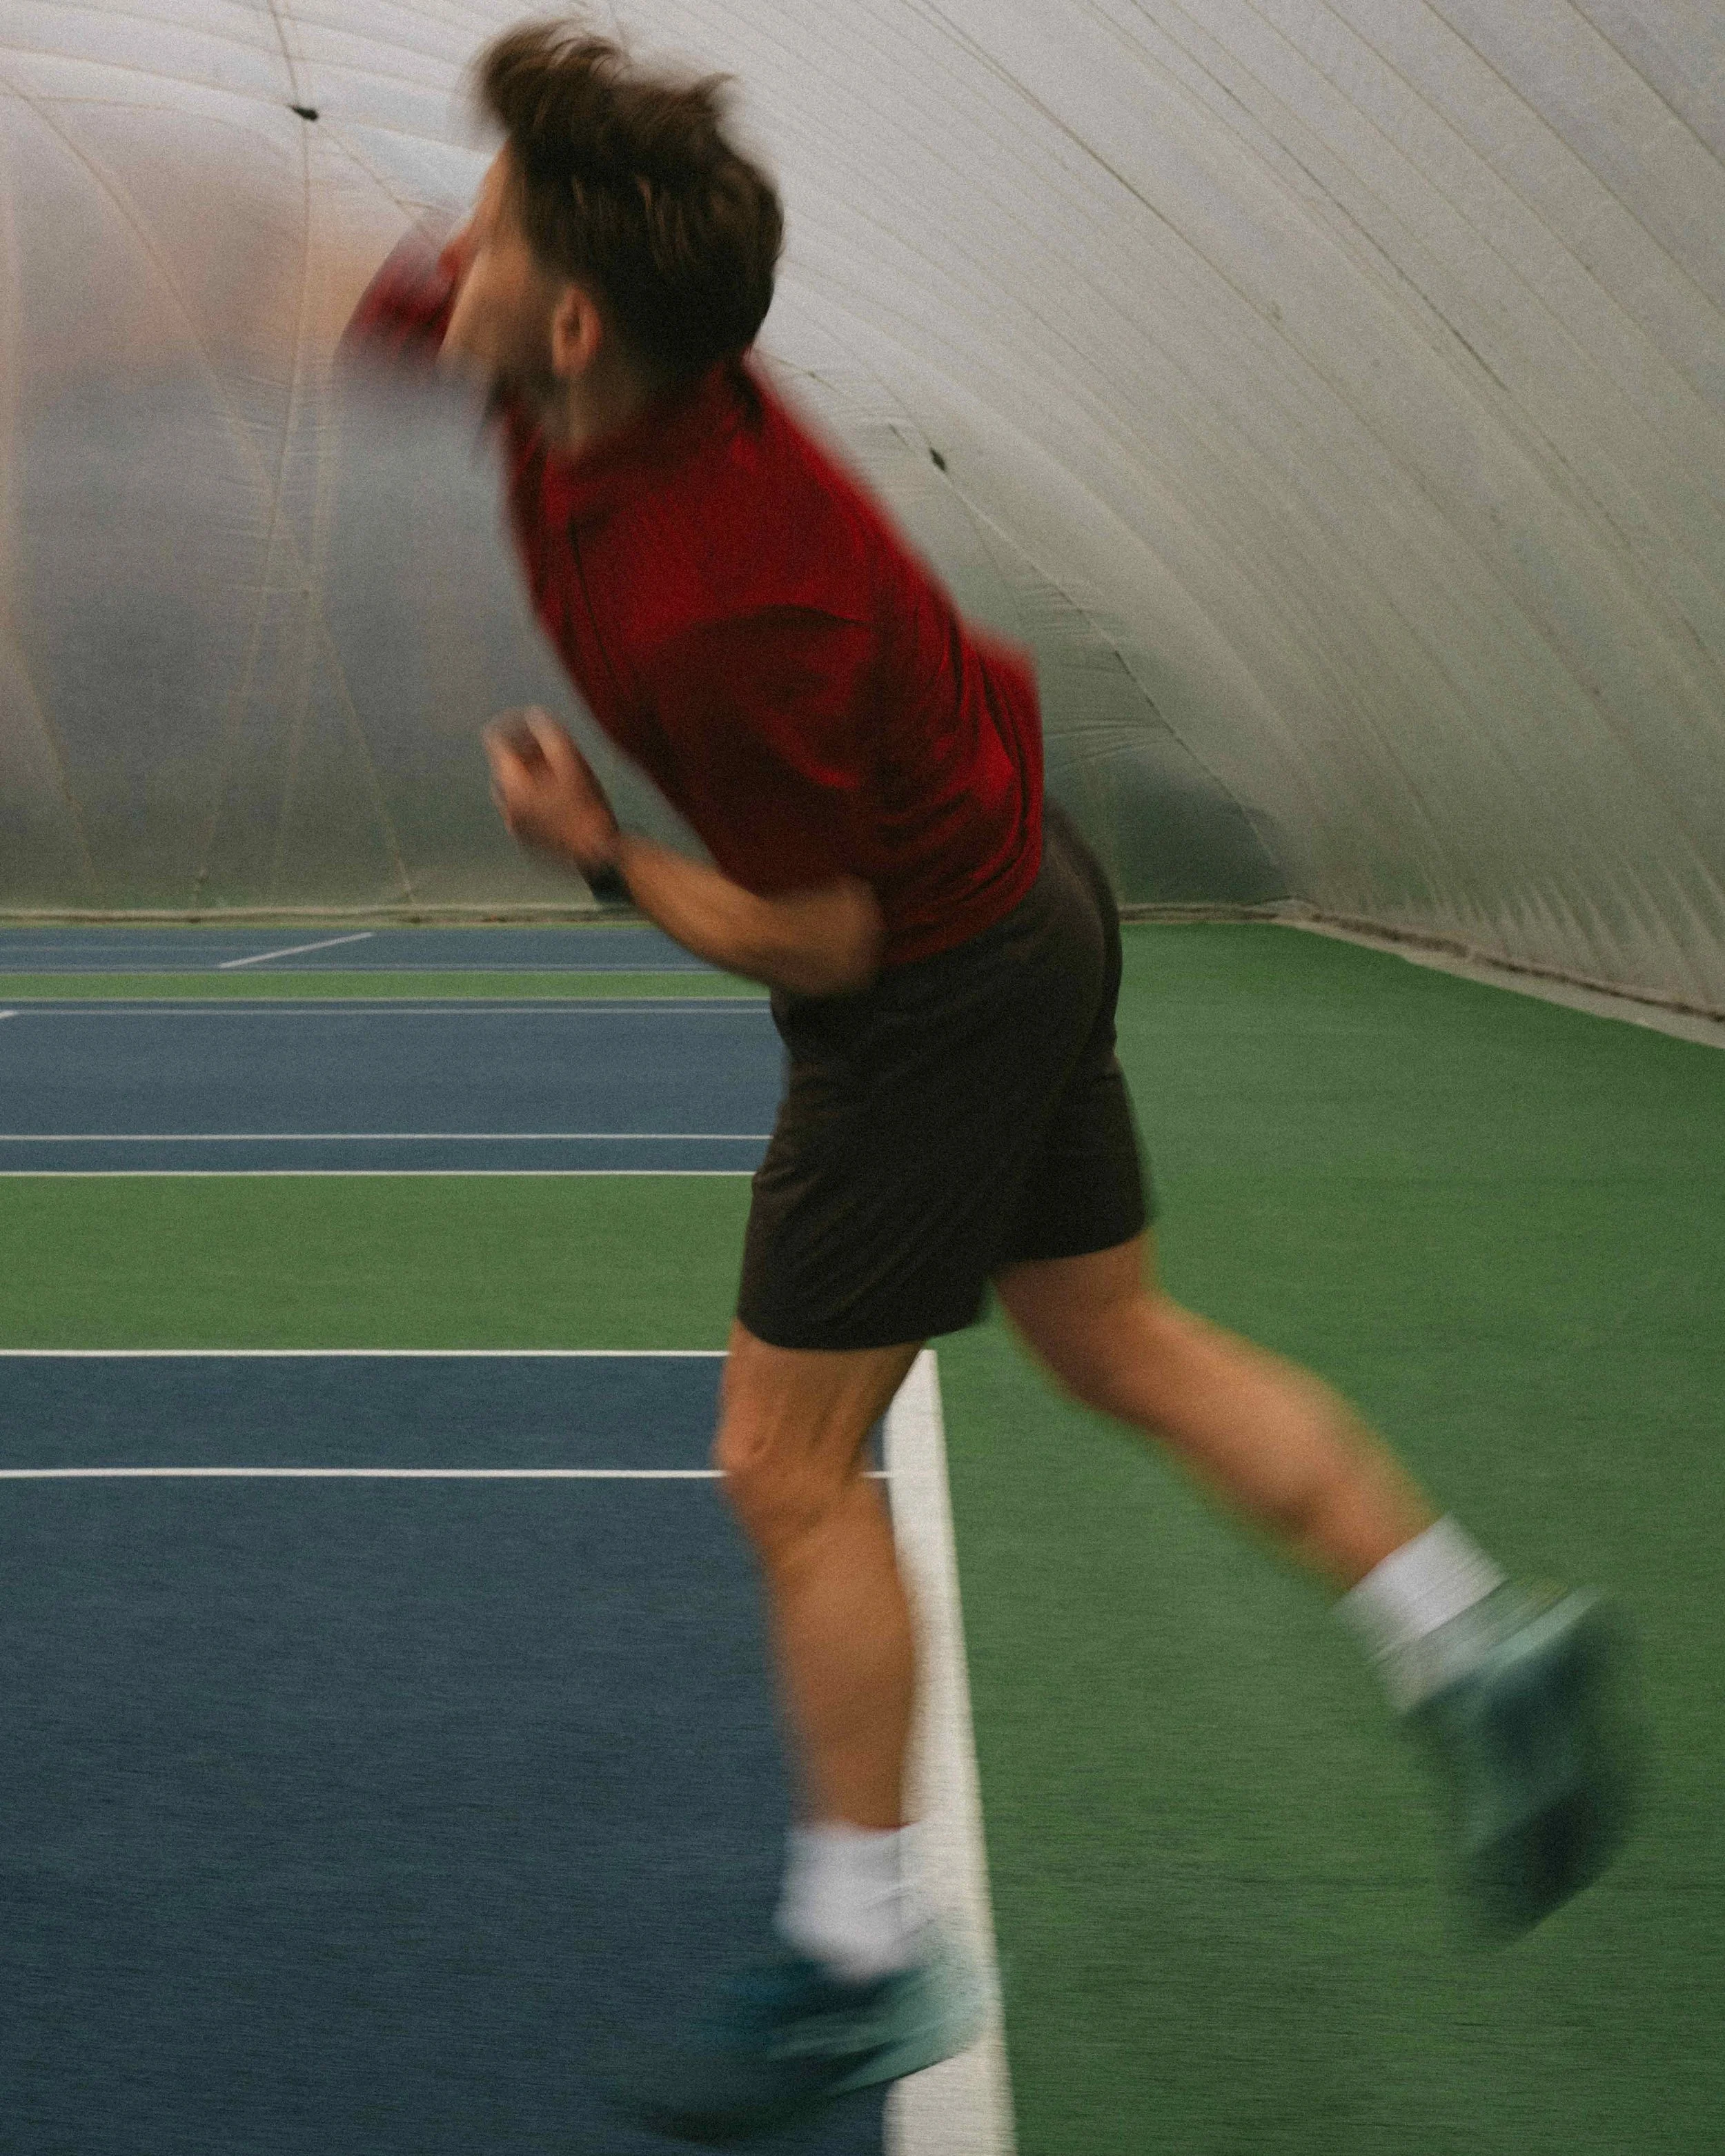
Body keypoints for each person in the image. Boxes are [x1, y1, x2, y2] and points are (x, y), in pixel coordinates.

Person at [343, 17, 1640, 2138]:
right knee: (1111, 1336)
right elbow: (354, 279)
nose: (446, 239)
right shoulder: (574, 354)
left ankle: (864, 1945)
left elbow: (822, 934)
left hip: (933, 971)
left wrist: (603, 858)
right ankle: (1479, 1644)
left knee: (780, 1459)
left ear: (570, 317)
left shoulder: (721, 590)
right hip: (1021, 888)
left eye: (482, 221)